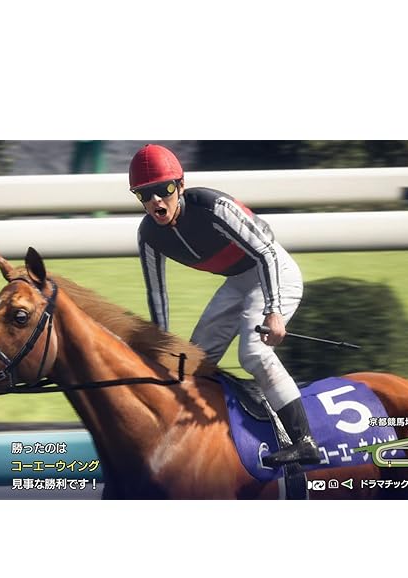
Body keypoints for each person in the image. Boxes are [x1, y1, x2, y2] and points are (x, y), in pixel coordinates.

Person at [130, 143, 320, 467]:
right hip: (238, 282)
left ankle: (304, 441)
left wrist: (274, 311)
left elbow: (266, 254)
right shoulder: (148, 234)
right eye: (145, 194)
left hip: (275, 273)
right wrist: (162, 344)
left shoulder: (213, 206)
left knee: (253, 352)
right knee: (188, 365)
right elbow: (157, 294)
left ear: (181, 186)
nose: (156, 201)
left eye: (164, 190)